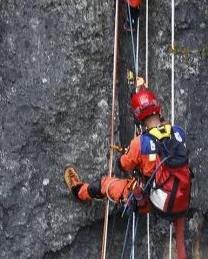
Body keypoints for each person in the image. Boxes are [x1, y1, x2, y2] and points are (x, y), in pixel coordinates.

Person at [64, 80, 191, 217]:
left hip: (151, 202)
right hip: (182, 197)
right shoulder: (178, 132)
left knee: (102, 185)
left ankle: (78, 191)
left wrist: (132, 152)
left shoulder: (140, 143)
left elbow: (123, 164)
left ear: (138, 116)